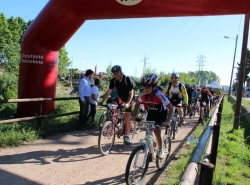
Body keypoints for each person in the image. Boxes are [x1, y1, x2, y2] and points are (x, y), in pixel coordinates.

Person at [131, 74, 174, 159]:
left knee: (157, 130)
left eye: (148, 87)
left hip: (161, 113)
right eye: (144, 86)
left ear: (154, 86)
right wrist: (134, 115)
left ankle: (161, 150)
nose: (145, 89)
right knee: (149, 132)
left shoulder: (159, 94)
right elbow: (137, 104)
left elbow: (171, 108)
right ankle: (151, 151)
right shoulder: (143, 94)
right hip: (151, 113)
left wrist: (168, 121)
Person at [100, 65, 135, 145]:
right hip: (120, 97)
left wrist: (128, 103)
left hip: (129, 98)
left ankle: (127, 135)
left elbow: (131, 93)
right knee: (111, 105)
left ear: (121, 72)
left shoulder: (127, 79)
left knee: (127, 117)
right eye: (114, 73)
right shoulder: (113, 81)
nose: (116, 75)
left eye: (117, 73)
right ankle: (115, 121)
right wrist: (102, 102)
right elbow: (108, 92)